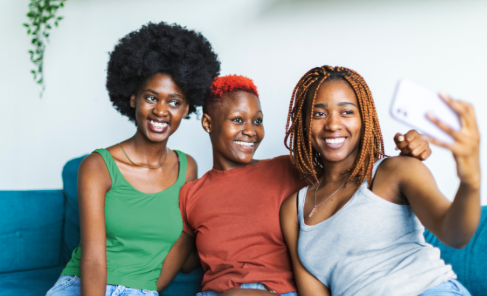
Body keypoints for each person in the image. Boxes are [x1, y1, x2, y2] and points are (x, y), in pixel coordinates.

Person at [158, 74, 433, 296]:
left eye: (258, 121)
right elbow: (177, 263)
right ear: (208, 122)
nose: (250, 130)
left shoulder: (291, 168)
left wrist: (410, 154)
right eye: (238, 120)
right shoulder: (191, 193)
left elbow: (354, 175)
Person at [46, 22, 220, 296]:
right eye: (151, 98)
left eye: (174, 102)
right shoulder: (97, 166)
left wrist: (147, 289)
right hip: (82, 287)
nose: (161, 111)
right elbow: (93, 258)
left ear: (187, 108)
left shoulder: (188, 169)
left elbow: (184, 246)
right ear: (133, 99)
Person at [280, 65, 480, 296]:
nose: (333, 124)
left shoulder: (395, 170)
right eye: (319, 113)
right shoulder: (293, 210)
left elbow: (455, 235)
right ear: (303, 123)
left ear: (364, 118)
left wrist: (470, 182)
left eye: (346, 112)